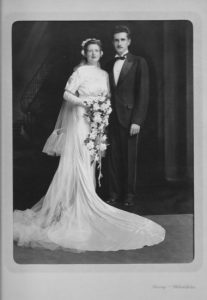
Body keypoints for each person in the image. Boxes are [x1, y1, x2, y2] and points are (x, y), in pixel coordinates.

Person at [13, 38, 165, 252]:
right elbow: (66, 94)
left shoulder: (104, 75)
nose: (93, 54)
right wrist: (86, 103)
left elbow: (109, 98)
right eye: (90, 51)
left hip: (96, 123)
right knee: (77, 159)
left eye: (96, 51)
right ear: (85, 53)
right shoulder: (80, 72)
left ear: (102, 53)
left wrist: (102, 110)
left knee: (90, 159)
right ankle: (69, 204)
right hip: (79, 121)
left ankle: (85, 199)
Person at [105, 25, 149, 207]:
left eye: (123, 39)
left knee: (129, 158)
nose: (119, 43)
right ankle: (114, 194)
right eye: (116, 40)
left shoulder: (139, 62)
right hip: (111, 118)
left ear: (129, 41)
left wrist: (137, 120)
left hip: (130, 118)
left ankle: (129, 196)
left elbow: (143, 93)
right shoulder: (108, 64)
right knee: (113, 158)